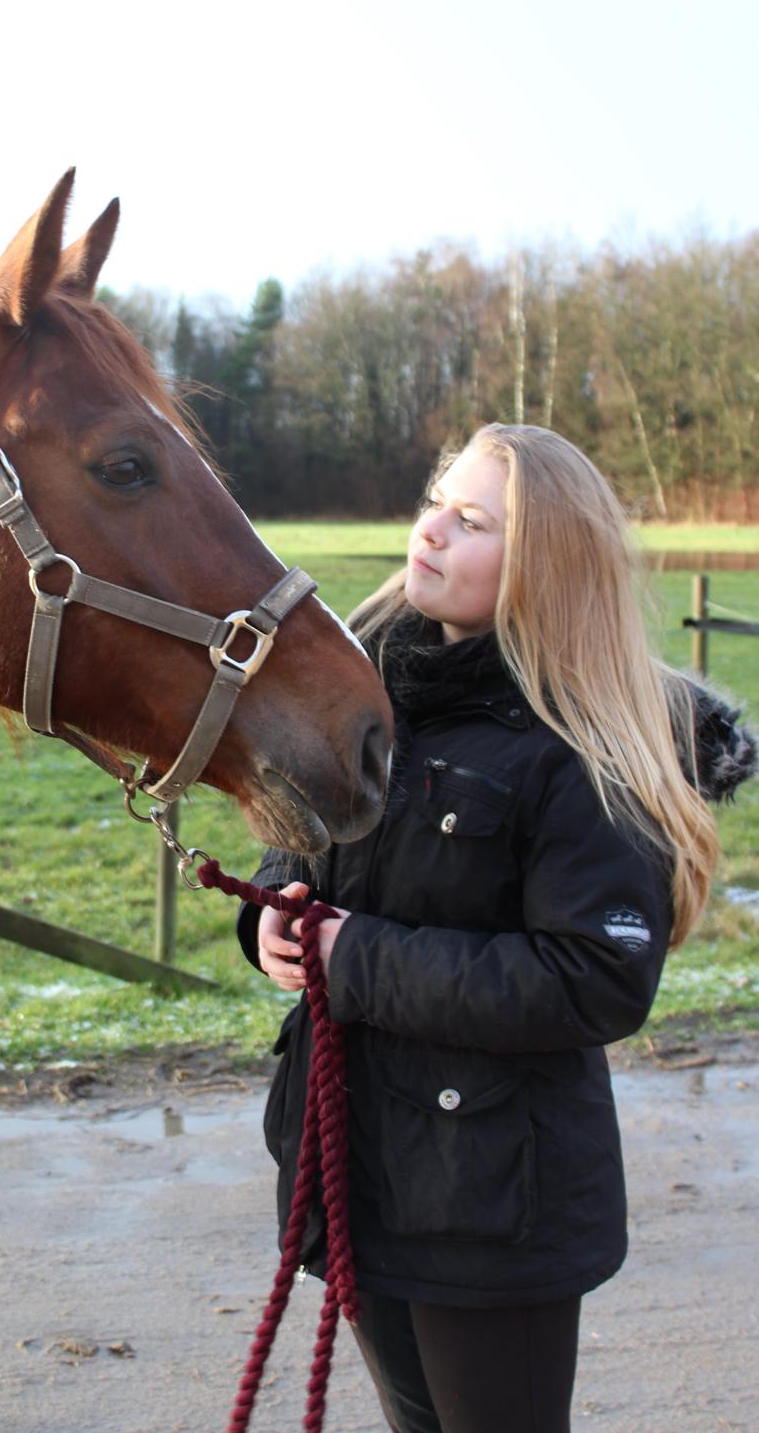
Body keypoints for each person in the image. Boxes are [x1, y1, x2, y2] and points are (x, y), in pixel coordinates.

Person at [237, 423, 756, 1433]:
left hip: (491, 1202)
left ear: (542, 565)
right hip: (353, 1165)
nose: (429, 530)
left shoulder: (582, 745)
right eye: (435, 500)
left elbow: (591, 979)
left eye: (470, 520)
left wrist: (353, 956)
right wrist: (270, 918)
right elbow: (298, 847)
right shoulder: (363, 689)